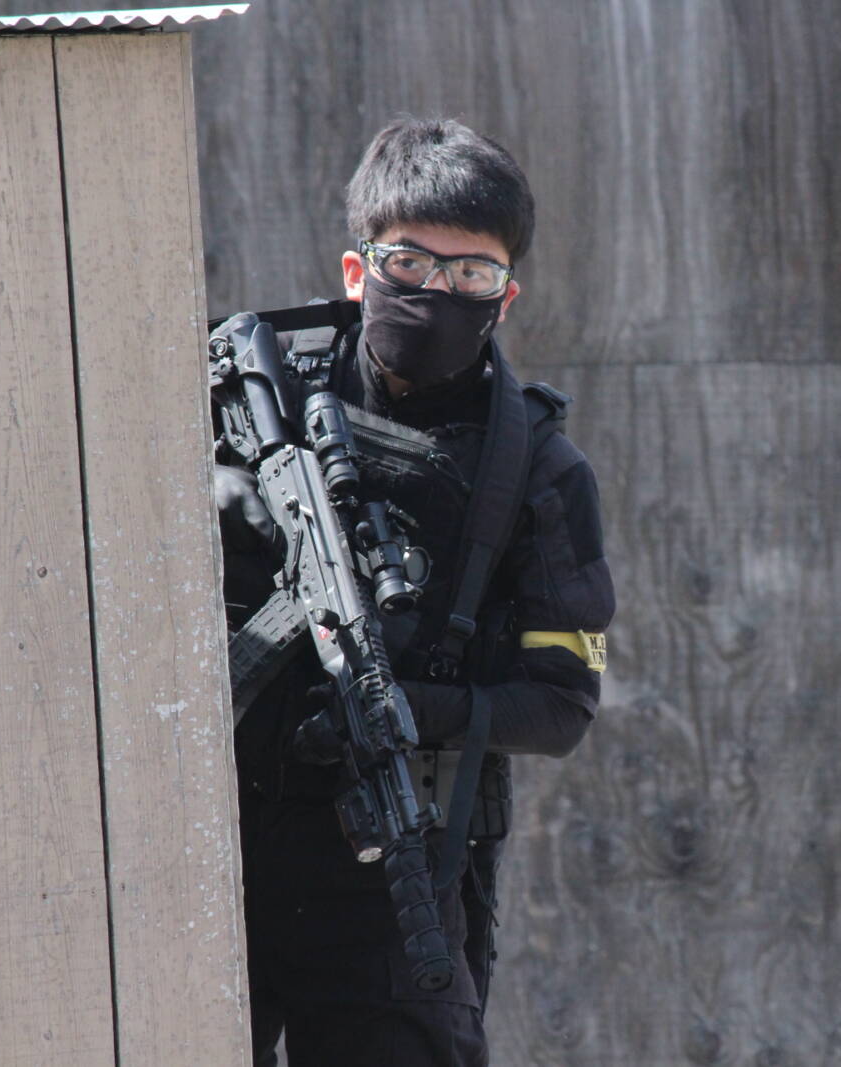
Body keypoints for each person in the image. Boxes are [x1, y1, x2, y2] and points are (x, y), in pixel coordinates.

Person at [212, 117, 615, 1067]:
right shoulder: (253, 399)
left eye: (471, 273)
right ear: (358, 272)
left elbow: (561, 705)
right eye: (409, 262)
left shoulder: (538, 469)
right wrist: (214, 499)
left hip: (395, 865)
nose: (438, 289)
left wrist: (408, 708)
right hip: (214, 842)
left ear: (505, 296)